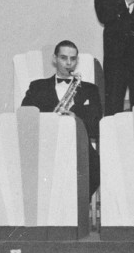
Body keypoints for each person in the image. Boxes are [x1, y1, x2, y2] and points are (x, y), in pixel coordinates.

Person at [20, 40, 103, 196]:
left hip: (78, 145)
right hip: (47, 144)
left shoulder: (90, 89)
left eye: (73, 59)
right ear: (54, 59)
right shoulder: (37, 86)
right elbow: (25, 117)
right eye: (64, 58)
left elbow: (96, 124)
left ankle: (77, 206)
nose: (69, 63)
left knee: (97, 167)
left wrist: (76, 119)